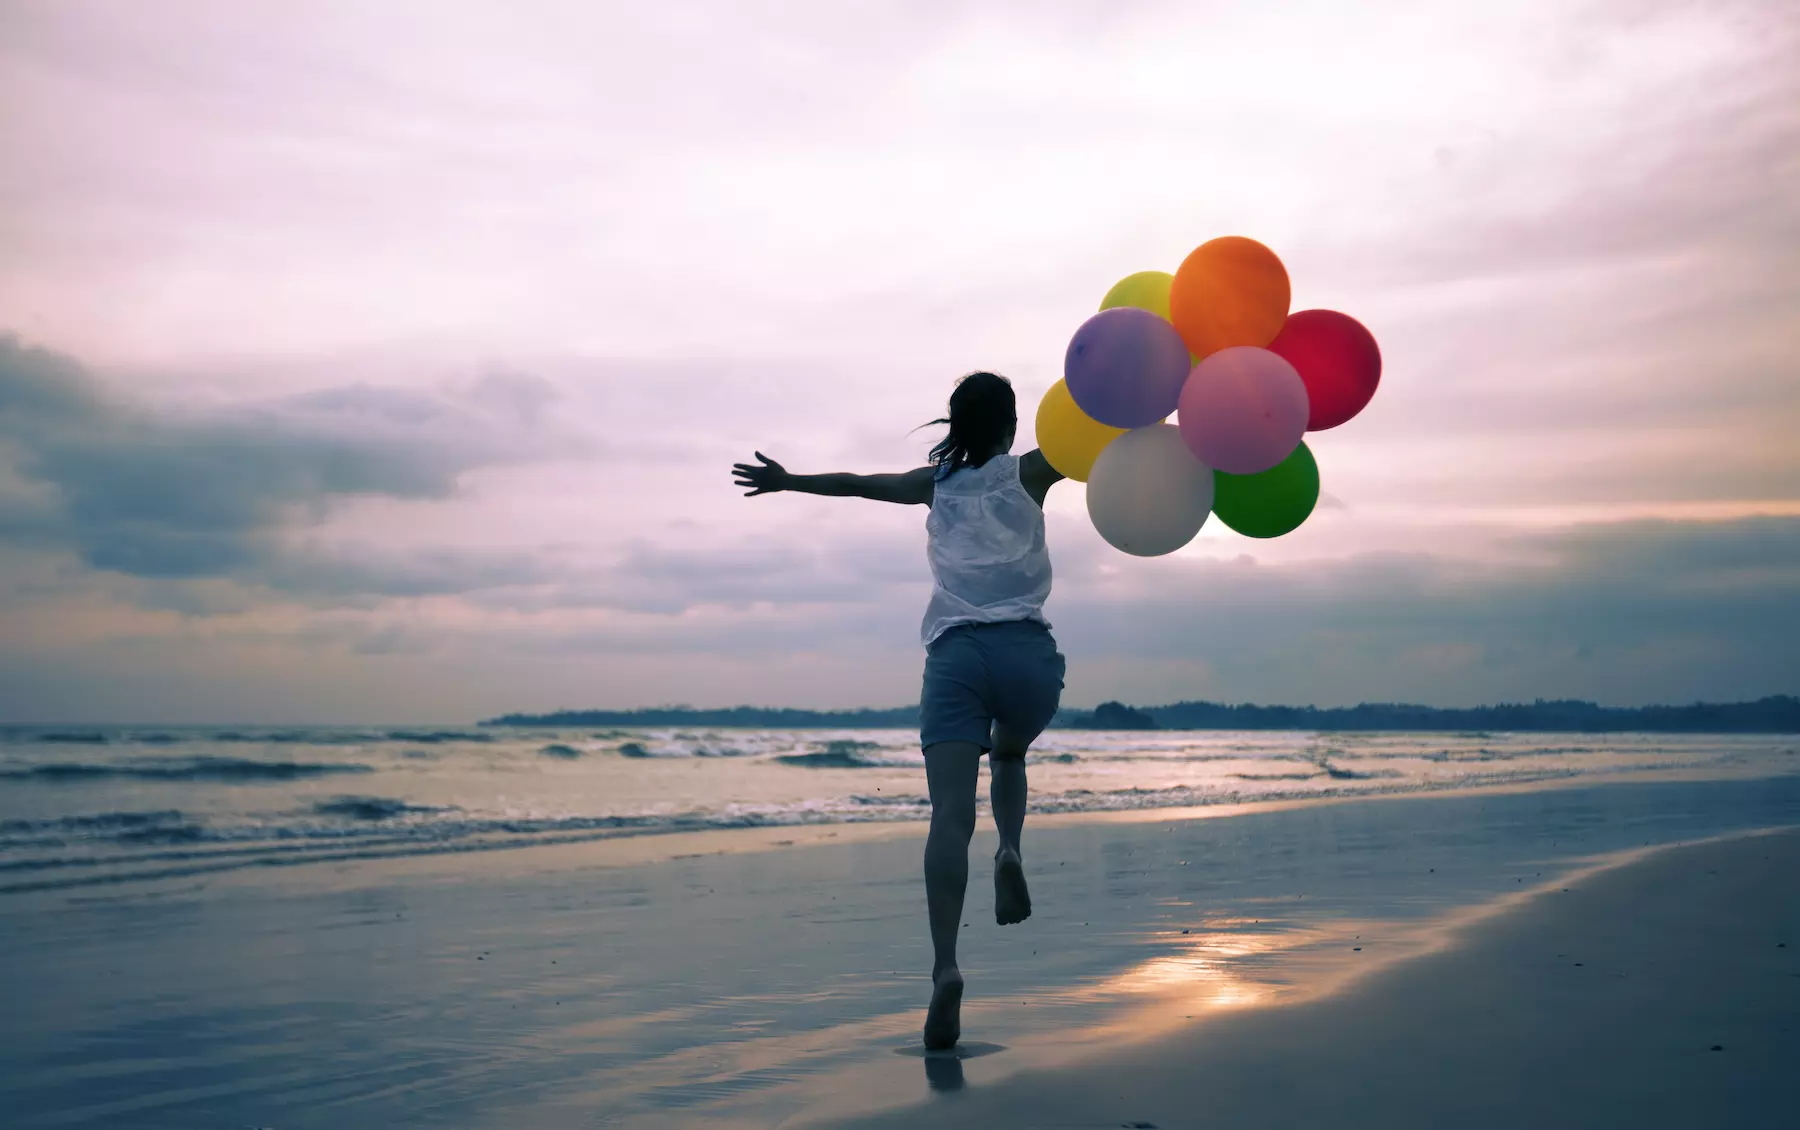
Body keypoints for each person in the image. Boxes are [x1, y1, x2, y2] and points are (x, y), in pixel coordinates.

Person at [732, 371, 1067, 1051]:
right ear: (1010, 426)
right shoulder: (1032, 472)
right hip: (1026, 655)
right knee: (1008, 753)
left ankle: (945, 968)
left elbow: (856, 482)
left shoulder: (934, 485)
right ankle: (1010, 848)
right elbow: (1107, 437)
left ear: (955, 424)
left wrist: (788, 481)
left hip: (955, 659)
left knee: (948, 816)